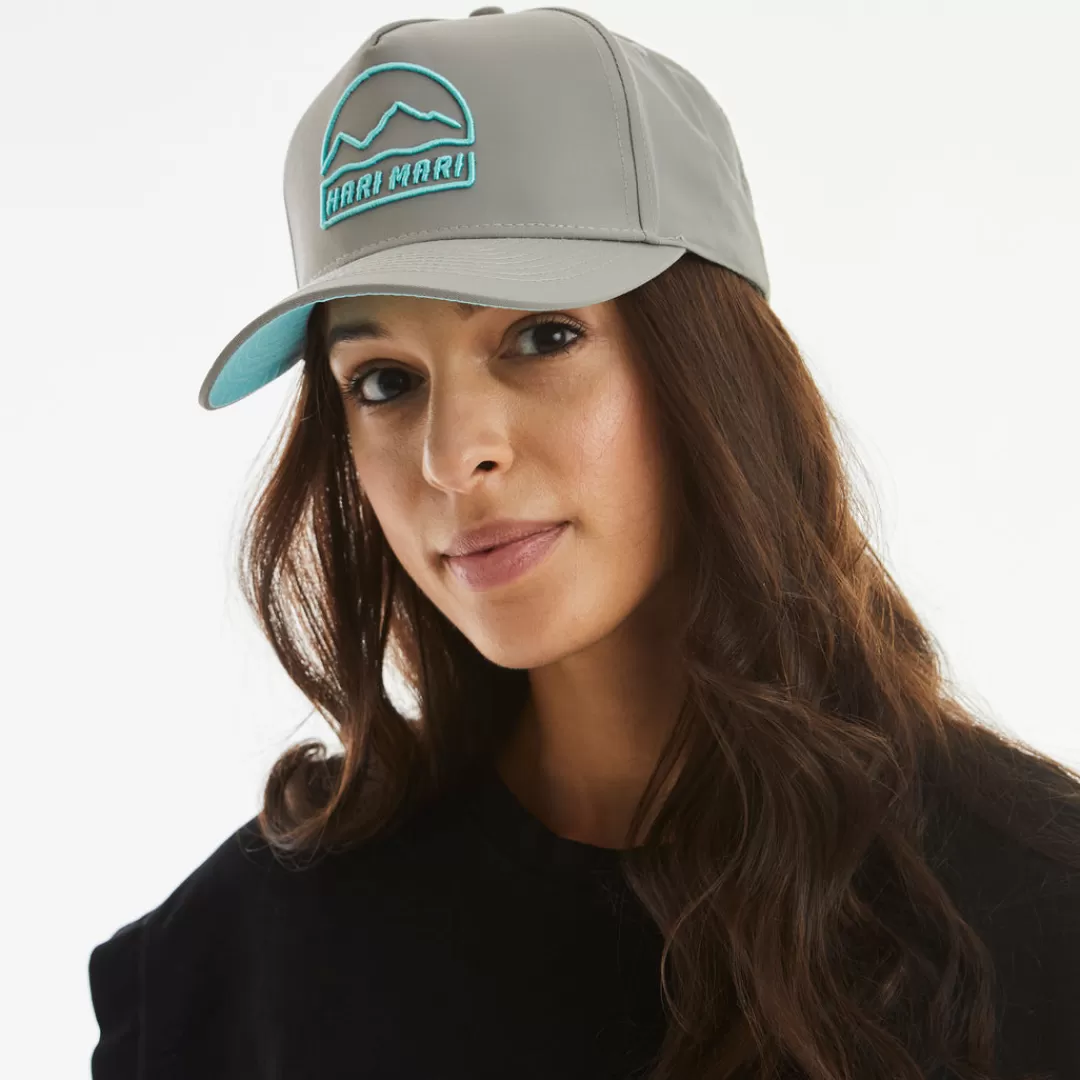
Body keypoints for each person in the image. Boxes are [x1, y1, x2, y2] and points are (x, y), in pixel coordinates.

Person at [89, 7, 1080, 1080]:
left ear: (712, 366)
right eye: (383, 382)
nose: (450, 456)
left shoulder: (1042, 916)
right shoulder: (225, 978)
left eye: (541, 334)